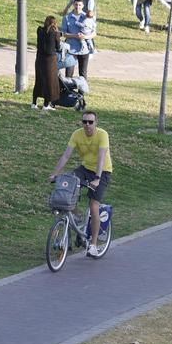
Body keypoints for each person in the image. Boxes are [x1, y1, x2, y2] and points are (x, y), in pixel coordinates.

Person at [49, 110, 112, 257]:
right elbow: (66, 155)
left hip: (102, 171)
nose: (87, 125)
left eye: (91, 122)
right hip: (84, 169)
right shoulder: (77, 134)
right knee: (67, 188)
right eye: (85, 122)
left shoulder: (102, 135)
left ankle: (94, 245)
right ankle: (77, 217)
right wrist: (55, 174)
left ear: (96, 123)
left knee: (93, 205)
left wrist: (97, 178)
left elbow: (101, 158)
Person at [61, 0, 90, 77]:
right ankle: (68, 89)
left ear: (83, 6)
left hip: (84, 50)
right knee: (69, 73)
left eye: (79, 5)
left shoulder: (87, 17)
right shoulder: (67, 17)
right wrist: (75, 36)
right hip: (71, 50)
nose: (77, 7)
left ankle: (82, 89)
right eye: (76, 4)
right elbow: (63, 34)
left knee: (83, 74)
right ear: (73, 5)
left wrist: (85, 37)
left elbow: (94, 33)